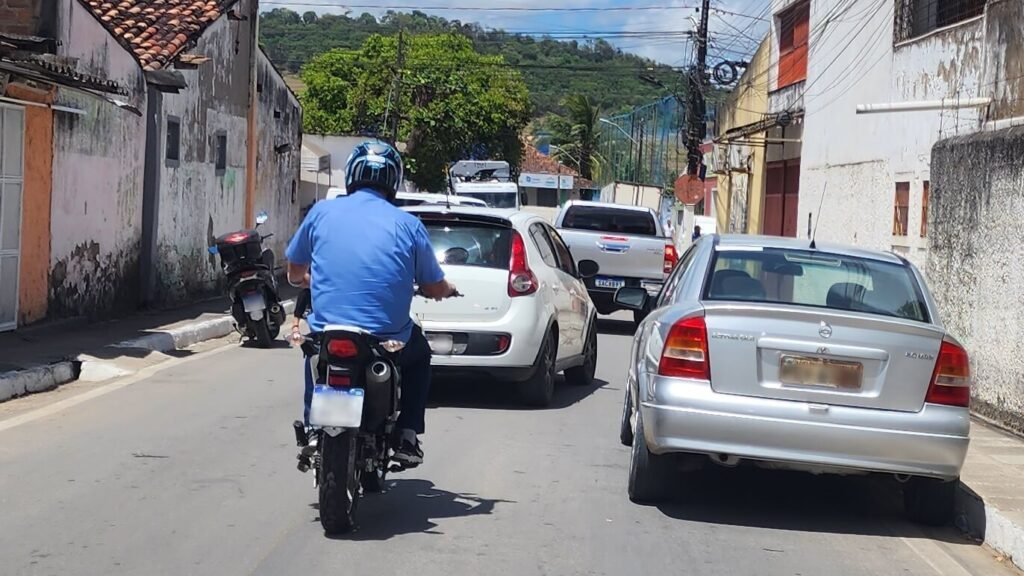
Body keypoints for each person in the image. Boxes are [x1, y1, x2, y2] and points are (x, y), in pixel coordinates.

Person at [285, 141, 458, 468]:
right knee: (420, 356)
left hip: (329, 332)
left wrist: (314, 280)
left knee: (313, 352)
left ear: (351, 174)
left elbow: (295, 273)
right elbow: (434, 285)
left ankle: (311, 429)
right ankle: (407, 433)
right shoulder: (408, 225)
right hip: (386, 338)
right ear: (394, 181)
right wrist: (444, 289)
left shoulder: (322, 212)